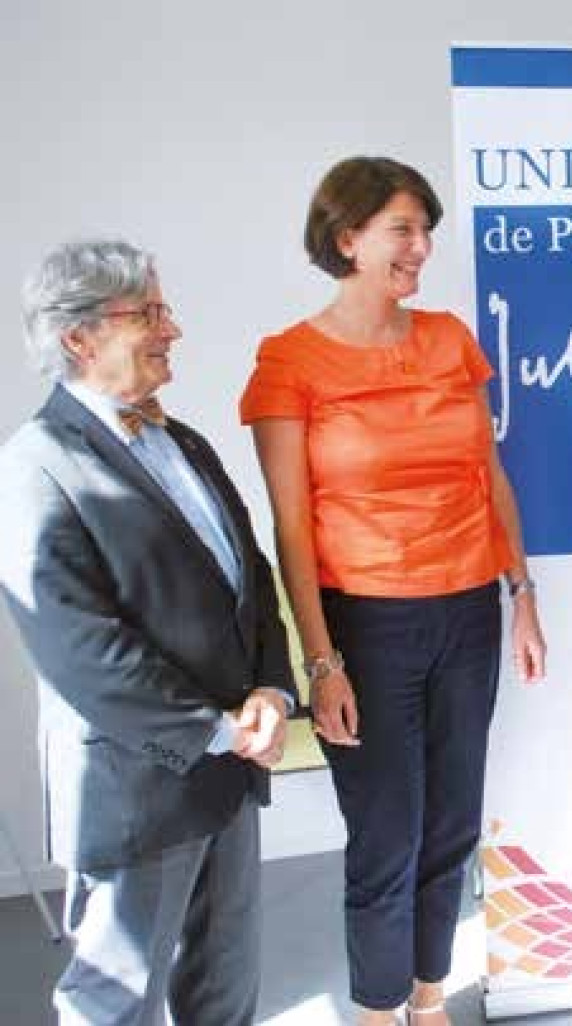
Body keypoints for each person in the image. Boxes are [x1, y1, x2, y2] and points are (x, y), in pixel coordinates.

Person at [240, 156, 546, 1026]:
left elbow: (489, 476)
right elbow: (290, 532)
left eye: (426, 230)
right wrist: (321, 662)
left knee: (453, 824)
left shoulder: (450, 338)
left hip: (468, 614)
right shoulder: (289, 362)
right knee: (388, 837)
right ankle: (377, 1012)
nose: (422, 247)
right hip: (364, 628)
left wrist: (519, 590)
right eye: (402, 230)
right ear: (347, 239)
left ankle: (427, 999)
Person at [0, 239, 296, 1025]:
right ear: (79, 337)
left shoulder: (181, 440)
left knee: (224, 993)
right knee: (114, 1001)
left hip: (229, 770)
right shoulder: (34, 467)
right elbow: (81, 650)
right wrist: (218, 728)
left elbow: (250, 574)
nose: (175, 329)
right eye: (152, 313)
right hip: (136, 785)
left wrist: (271, 687)